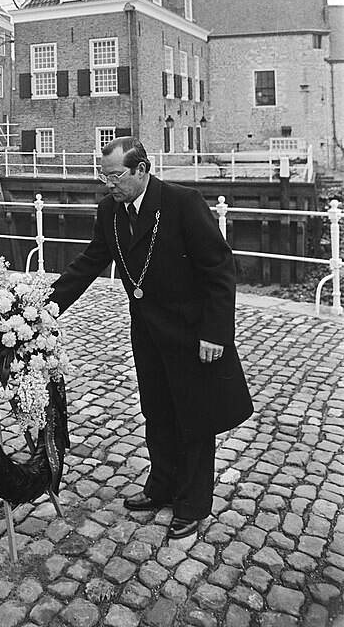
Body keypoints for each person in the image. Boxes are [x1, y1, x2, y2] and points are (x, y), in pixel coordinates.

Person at [48, 136, 253, 540]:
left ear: (142, 169)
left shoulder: (182, 203)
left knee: (193, 419)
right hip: (147, 332)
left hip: (194, 334)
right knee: (156, 412)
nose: (109, 185)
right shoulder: (109, 211)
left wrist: (215, 333)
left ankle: (192, 504)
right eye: (103, 177)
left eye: (116, 176)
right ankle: (161, 487)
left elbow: (219, 270)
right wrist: (43, 309)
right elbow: (88, 263)